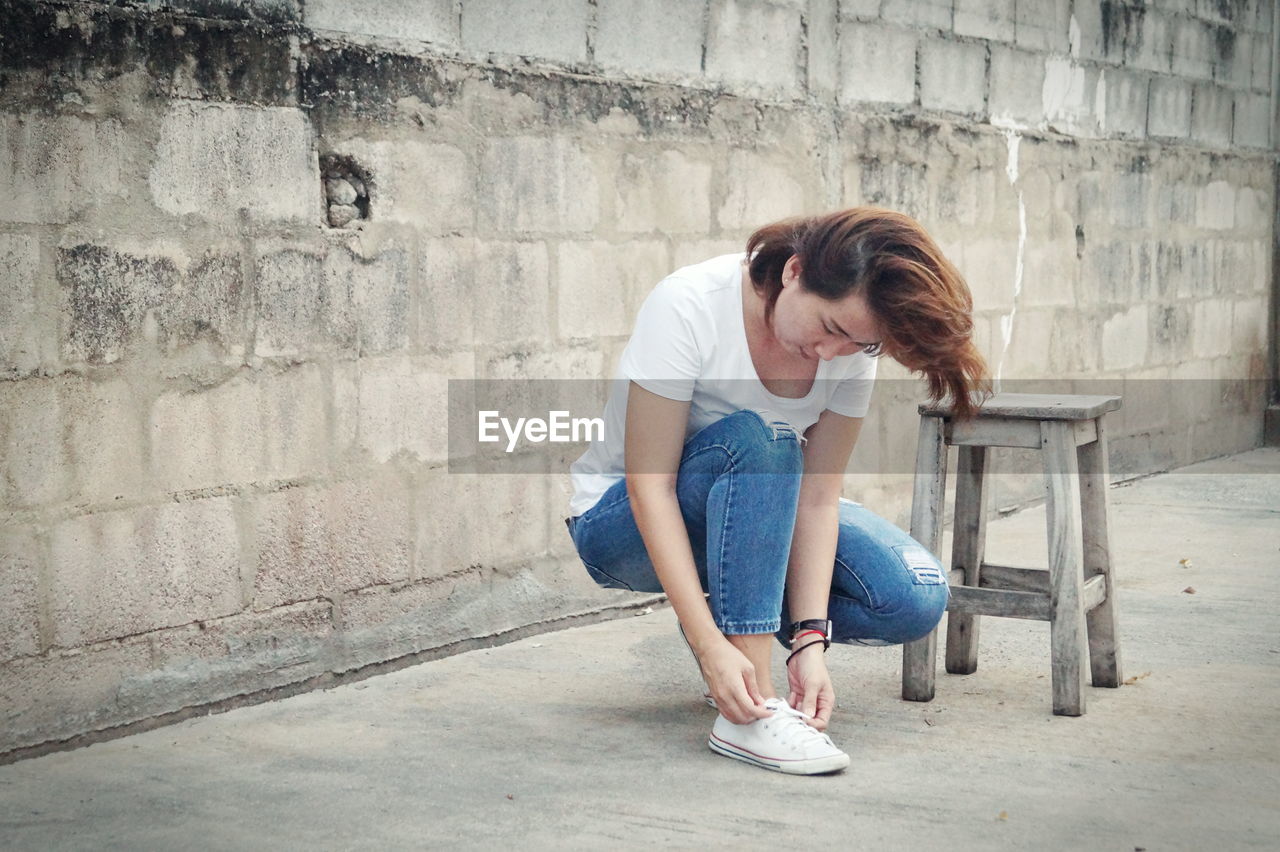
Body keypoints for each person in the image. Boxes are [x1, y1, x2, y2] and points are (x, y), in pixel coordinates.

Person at [565, 207, 989, 775]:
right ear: (794, 271)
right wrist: (708, 645)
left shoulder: (849, 350)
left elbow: (817, 498)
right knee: (764, 440)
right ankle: (752, 709)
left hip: (759, 509)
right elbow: (650, 488)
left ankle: (746, 638)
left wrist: (811, 641)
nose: (833, 354)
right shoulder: (689, 304)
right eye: (832, 329)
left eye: (862, 346)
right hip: (624, 523)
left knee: (913, 595)